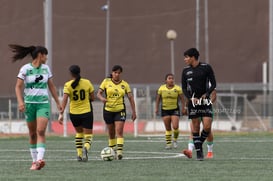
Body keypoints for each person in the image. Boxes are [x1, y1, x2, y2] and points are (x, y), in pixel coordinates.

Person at [10, 44, 62, 170]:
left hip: (43, 104)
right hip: (29, 105)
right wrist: (21, 102)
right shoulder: (25, 69)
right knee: (32, 134)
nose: (47, 58)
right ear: (40, 55)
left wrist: (57, 102)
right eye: (46, 55)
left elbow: (52, 86)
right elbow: (17, 86)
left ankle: (40, 160)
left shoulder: (46, 69)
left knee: (40, 131)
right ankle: (34, 161)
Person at [181, 48, 216, 161]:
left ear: (193, 57)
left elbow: (214, 84)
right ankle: (199, 154)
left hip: (205, 101)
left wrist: (207, 94)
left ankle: (198, 145)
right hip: (193, 103)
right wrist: (191, 98)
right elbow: (184, 88)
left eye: (186, 57)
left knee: (207, 126)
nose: (185, 59)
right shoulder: (185, 71)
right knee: (195, 127)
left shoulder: (206, 67)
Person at [97, 65, 137, 160]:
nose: (117, 74)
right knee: (111, 132)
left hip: (120, 110)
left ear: (121, 74)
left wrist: (134, 111)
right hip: (108, 110)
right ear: (112, 73)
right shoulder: (106, 82)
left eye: (119, 73)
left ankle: (119, 153)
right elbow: (98, 93)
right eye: (115, 72)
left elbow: (131, 98)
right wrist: (102, 98)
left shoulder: (125, 84)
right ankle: (112, 151)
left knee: (119, 131)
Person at [58, 65, 95, 162]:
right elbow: (93, 98)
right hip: (86, 112)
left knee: (79, 133)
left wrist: (61, 113)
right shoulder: (87, 83)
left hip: (74, 113)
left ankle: (79, 154)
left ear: (71, 74)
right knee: (88, 135)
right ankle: (86, 147)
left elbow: (65, 100)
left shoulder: (67, 85)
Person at [155, 73, 186, 149]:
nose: (171, 80)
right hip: (165, 110)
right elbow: (158, 99)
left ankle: (175, 140)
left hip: (175, 109)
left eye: (172, 78)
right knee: (168, 128)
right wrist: (156, 108)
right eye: (169, 78)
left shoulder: (177, 88)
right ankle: (168, 144)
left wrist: (184, 108)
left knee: (175, 127)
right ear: (166, 80)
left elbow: (182, 99)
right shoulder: (161, 88)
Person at [184, 89, 216, 159]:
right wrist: (186, 107)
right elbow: (189, 95)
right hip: (195, 108)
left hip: (206, 109)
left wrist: (208, 104)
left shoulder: (209, 81)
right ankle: (190, 151)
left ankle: (210, 152)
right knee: (193, 130)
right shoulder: (192, 80)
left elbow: (214, 96)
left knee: (208, 130)